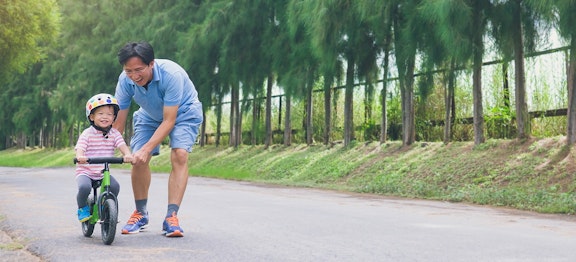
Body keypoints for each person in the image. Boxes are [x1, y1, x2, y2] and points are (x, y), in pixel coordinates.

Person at [113, 41, 203, 237]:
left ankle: (171, 217)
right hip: (148, 114)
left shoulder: (172, 75)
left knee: (179, 154)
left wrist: (147, 149)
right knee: (138, 159)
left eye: (139, 70)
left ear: (151, 64)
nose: (134, 76)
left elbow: (169, 120)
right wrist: (105, 148)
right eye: (128, 71)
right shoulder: (125, 80)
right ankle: (140, 213)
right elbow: (118, 123)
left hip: (183, 113)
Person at [75, 93, 133, 222]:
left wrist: (128, 155)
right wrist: (80, 156)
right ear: (92, 116)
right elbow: (80, 148)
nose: (105, 117)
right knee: (84, 187)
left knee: (115, 186)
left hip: (102, 172)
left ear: (114, 118)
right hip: (86, 172)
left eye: (109, 114)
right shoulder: (87, 133)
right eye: (100, 114)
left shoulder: (114, 133)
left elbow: (121, 145)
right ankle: (82, 207)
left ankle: (105, 206)